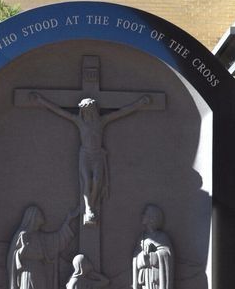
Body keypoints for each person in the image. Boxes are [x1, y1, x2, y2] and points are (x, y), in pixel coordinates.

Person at [29, 91, 151, 226]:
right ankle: (88, 208)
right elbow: (60, 111)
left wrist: (139, 104)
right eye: (85, 111)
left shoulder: (101, 121)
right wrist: (41, 100)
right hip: (85, 155)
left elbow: (121, 112)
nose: (87, 114)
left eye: (89, 111)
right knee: (87, 181)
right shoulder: (79, 122)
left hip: (97, 155)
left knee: (97, 181)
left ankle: (91, 204)